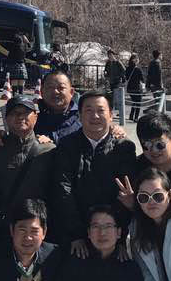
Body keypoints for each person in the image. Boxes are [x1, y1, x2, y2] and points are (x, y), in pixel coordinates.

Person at [49, 90, 138, 253]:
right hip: (75, 235)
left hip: (112, 235)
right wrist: (76, 234)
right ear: (80, 116)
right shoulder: (67, 145)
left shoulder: (124, 148)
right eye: (88, 110)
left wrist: (119, 238)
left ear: (111, 115)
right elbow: (63, 190)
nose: (95, 116)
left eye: (101, 110)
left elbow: (125, 196)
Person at [0, 95, 55, 256]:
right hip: (1, 229)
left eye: (26, 112)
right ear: (6, 118)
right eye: (14, 113)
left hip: (36, 230)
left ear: (36, 117)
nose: (20, 117)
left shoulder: (48, 150)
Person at [36, 70, 82, 142]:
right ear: (42, 91)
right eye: (50, 87)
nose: (55, 91)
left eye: (61, 88)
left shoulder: (84, 118)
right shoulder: (31, 117)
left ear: (71, 92)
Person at [104, 50, 127, 124]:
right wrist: (106, 76)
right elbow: (106, 71)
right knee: (111, 97)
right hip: (111, 81)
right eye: (108, 55)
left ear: (113, 55)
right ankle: (111, 111)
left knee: (117, 97)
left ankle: (120, 111)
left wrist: (120, 77)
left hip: (117, 82)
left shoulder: (117, 62)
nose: (110, 56)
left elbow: (124, 70)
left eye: (111, 55)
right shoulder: (108, 63)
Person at [126, 53, 145, 122]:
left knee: (134, 101)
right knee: (138, 103)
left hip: (130, 88)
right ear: (136, 60)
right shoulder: (138, 69)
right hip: (137, 88)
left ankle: (131, 115)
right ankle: (136, 117)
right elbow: (142, 79)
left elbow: (126, 77)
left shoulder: (128, 68)